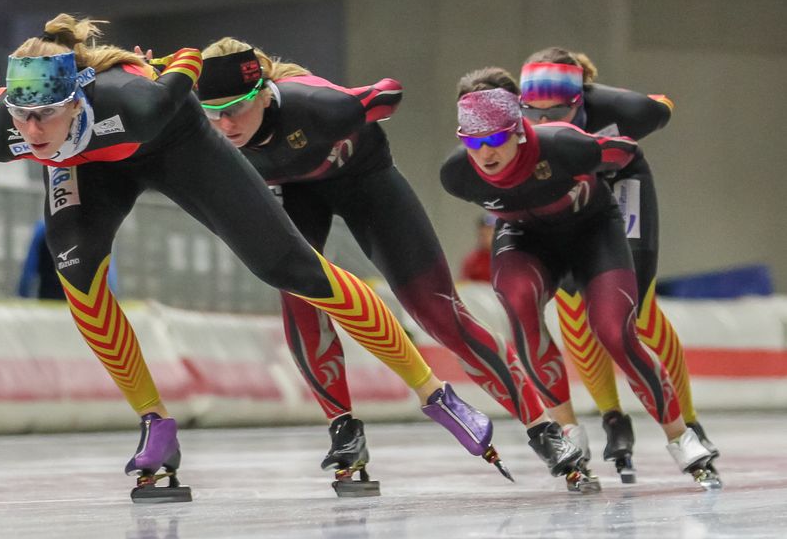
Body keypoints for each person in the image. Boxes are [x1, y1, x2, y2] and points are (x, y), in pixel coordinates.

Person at [0, 15, 509, 503]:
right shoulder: (0, 133)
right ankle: (155, 423)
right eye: (23, 118)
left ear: (75, 100)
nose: (34, 133)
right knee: (77, 275)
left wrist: (160, 66)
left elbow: (187, 57)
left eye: (45, 115)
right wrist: (26, 120)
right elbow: (8, 109)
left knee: (290, 268)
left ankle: (434, 394)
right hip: (89, 164)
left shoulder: (134, 101)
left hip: (172, 141)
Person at [197, 39, 582, 491]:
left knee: (438, 312)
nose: (225, 124)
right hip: (294, 194)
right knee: (298, 293)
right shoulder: (210, 132)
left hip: (364, 182)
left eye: (236, 109)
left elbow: (388, 91)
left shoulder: (317, 106)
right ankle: (344, 431)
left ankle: (543, 429)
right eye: (213, 112)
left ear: (263, 91)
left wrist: (374, 98)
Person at [440, 68, 719, 490]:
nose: (485, 153)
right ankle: (568, 431)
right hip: (527, 240)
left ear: (519, 130)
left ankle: (681, 436)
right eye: (473, 142)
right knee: (518, 303)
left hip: (593, 234)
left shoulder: (564, 145)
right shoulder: (457, 174)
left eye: (495, 139)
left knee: (615, 331)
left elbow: (626, 152)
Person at [519, 48, 717, 482]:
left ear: (583, 100)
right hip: (568, 195)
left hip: (621, 184)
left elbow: (661, 105)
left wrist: (658, 103)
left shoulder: (623, 110)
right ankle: (613, 416)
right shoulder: (514, 129)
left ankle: (688, 420)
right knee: (572, 303)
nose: (546, 121)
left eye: (560, 111)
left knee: (635, 311)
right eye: (534, 113)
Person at [460, 213, 497, 282]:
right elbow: (464, 285)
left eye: (490, 233)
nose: (487, 237)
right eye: (483, 234)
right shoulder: (473, 260)